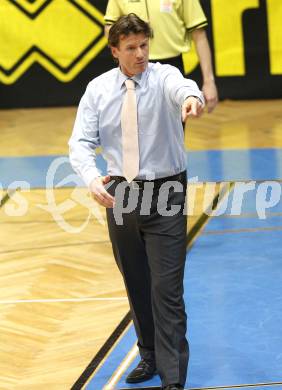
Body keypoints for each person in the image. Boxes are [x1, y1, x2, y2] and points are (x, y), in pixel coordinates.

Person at [69, 13, 204, 390]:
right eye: (131, 48)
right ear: (115, 51)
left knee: (167, 288)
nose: (140, 53)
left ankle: (173, 380)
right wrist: (92, 178)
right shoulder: (97, 89)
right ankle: (149, 355)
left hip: (166, 192)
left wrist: (192, 99)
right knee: (137, 280)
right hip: (122, 194)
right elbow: (79, 143)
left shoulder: (163, 78)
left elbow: (184, 87)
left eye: (144, 45)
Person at [104, 0, 218, 113]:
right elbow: (110, 28)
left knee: (174, 124)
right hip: (133, 68)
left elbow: (199, 35)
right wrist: (123, 62)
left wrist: (209, 82)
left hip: (172, 63)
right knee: (134, 123)